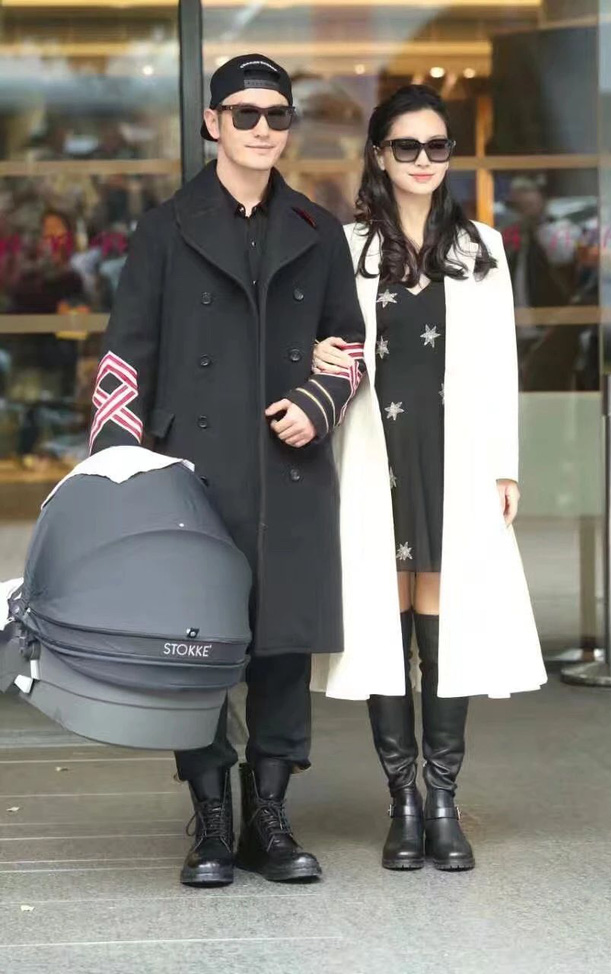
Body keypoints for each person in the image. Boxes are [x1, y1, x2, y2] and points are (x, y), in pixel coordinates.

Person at [89, 54, 366, 888]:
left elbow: (350, 346)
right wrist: (116, 474)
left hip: (288, 467)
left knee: (282, 647)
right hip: (192, 474)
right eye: (244, 113)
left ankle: (269, 821)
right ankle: (211, 820)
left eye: (277, 114)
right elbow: (126, 356)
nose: (262, 129)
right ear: (213, 123)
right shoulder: (163, 229)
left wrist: (319, 399)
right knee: (196, 645)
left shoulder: (319, 231)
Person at [314, 86, 546, 871]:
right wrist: (312, 355)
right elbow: (320, 343)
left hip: (456, 453)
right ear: (379, 154)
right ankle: (402, 801)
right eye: (406, 146)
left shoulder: (481, 246)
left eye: (436, 146)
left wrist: (506, 464)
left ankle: (442, 797)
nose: (422, 160)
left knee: (445, 619)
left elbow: (502, 365)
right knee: (385, 620)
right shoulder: (345, 248)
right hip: (372, 451)